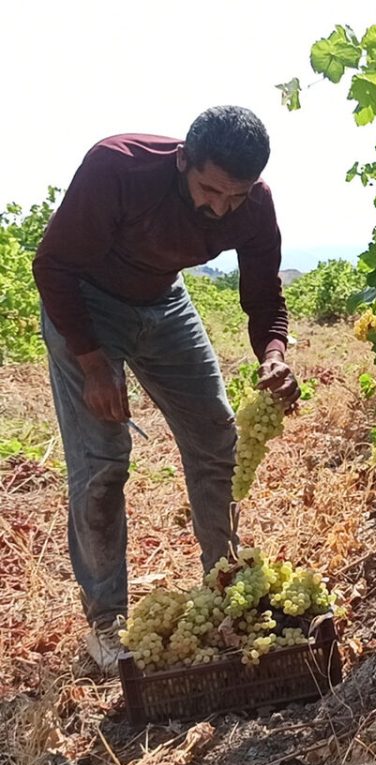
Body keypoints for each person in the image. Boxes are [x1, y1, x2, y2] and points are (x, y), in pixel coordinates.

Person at [32, 106, 301, 675]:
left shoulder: (253, 204)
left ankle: (225, 580)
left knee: (215, 437)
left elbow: (263, 295)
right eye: (210, 190)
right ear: (183, 160)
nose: (220, 208)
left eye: (236, 196)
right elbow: (51, 264)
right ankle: (106, 621)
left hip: (163, 303)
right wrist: (93, 361)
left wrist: (274, 357)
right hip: (86, 303)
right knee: (103, 463)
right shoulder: (118, 169)